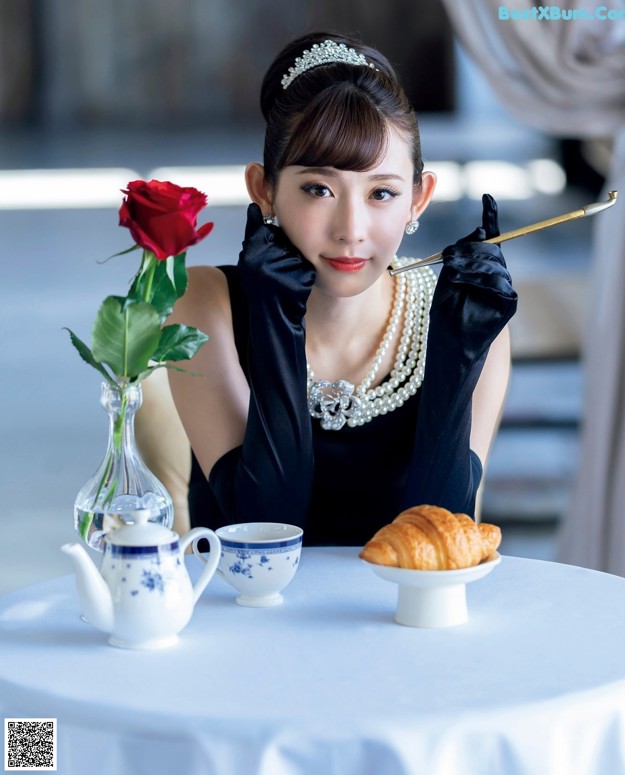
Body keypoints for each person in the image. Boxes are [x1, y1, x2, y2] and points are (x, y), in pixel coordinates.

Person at [167, 31, 517, 546]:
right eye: (318, 188)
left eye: (382, 193)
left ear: (419, 200)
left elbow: (440, 542)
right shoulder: (204, 304)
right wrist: (274, 322)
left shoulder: (463, 318)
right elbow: (261, 536)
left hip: (402, 621)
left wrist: (457, 358)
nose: (350, 228)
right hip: (239, 621)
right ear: (264, 189)